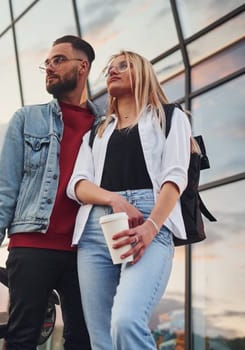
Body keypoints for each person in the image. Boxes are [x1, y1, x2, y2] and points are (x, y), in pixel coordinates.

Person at [0, 35, 101, 349]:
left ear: (82, 66)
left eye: (58, 60)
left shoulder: (105, 125)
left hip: (85, 249)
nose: (49, 68)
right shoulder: (27, 119)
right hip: (32, 245)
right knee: (21, 338)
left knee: (82, 340)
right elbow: (4, 184)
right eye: (47, 62)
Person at [66, 50, 192, 349]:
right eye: (110, 67)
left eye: (123, 66)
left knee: (126, 320)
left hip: (150, 222)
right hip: (96, 231)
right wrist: (113, 200)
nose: (113, 70)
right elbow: (78, 185)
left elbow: (175, 178)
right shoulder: (97, 132)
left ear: (143, 73)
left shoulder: (170, 116)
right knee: (101, 341)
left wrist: (150, 227)